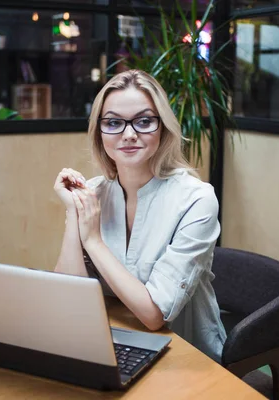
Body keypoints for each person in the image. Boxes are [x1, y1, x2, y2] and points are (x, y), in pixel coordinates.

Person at [53, 69, 226, 361]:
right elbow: (67, 300)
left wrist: (93, 241)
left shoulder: (196, 199)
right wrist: (74, 211)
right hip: (115, 342)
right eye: (113, 123)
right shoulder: (94, 192)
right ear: (99, 132)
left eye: (144, 121)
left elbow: (153, 315)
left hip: (186, 355)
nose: (129, 134)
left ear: (163, 128)